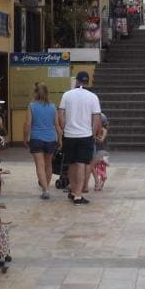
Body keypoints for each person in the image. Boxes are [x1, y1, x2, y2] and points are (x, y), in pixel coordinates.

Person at [57, 71, 102, 205]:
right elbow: (97, 118)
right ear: (88, 82)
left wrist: (64, 127)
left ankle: (72, 190)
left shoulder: (67, 95)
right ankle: (78, 195)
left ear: (76, 81)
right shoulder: (93, 97)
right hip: (85, 135)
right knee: (82, 164)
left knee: (71, 164)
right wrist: (93, 133)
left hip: (69, 135)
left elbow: (60, 114)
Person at [23, 82, 60, 199]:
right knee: (48, 164)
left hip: (36, 138)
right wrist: (60, 139)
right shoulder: (53, 106)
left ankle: (45, 190)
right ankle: (46, 187)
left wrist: (25, 138)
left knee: (40, 165)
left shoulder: (32, 106)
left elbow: (28, 124)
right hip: (51, 139)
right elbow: (57, 125)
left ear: (35, 93)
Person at [89, 113, 109, 191]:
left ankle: (98, 181)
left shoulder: (103, 130)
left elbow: (101, 140)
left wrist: (95, 137)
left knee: (91, 165)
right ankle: (100, 182)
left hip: (101, 151)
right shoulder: (97, 129)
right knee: (100, 167)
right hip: (103, 151)